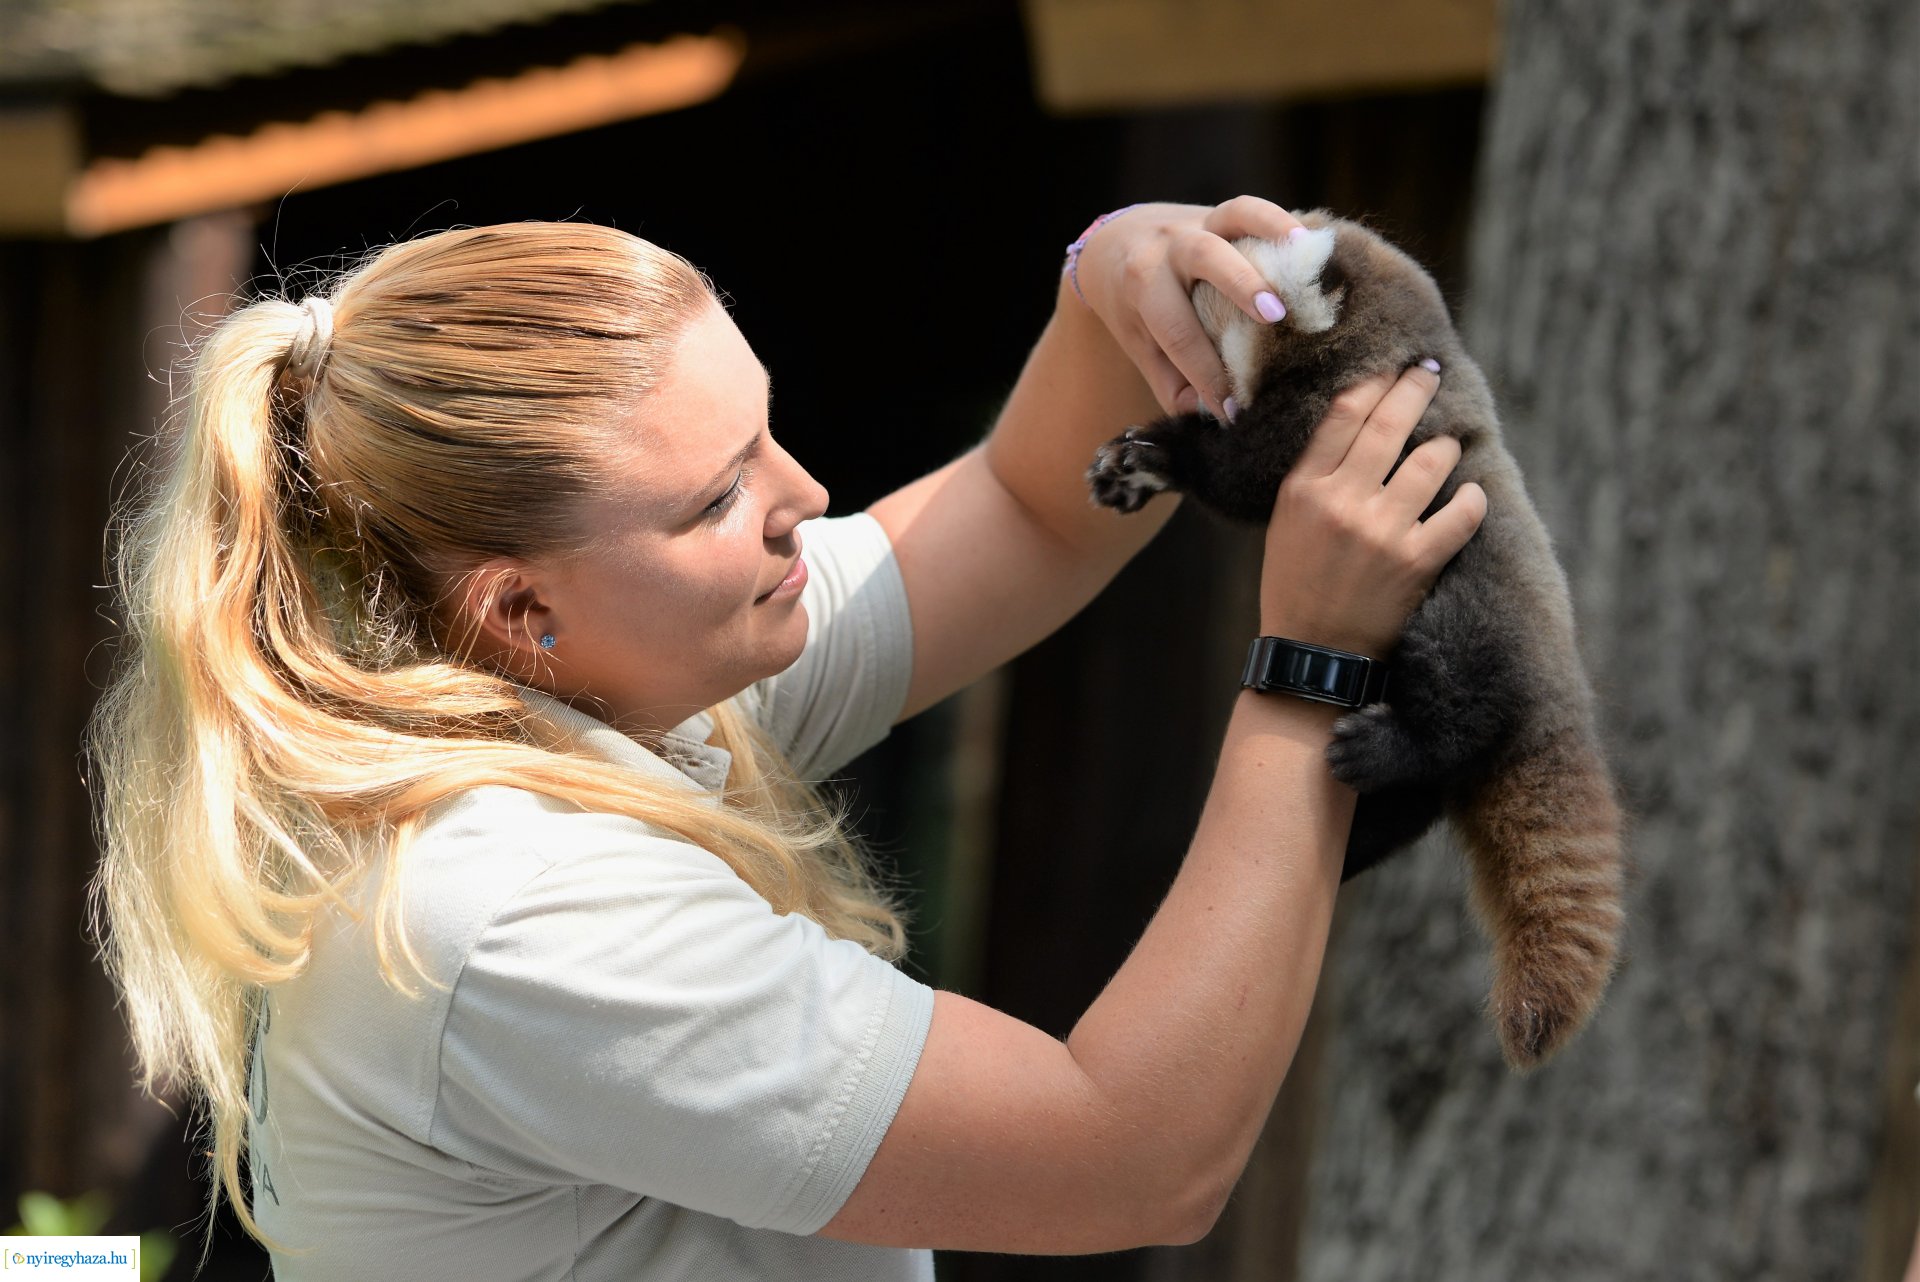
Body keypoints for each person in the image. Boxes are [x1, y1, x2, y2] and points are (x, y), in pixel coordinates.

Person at [89, 197, 1484, 1279]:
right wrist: (1311, 672)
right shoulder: (521, 913)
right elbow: (1134, 1157)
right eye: (715, 500)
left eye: (764, 434)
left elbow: (1024, 512)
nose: (803, 494)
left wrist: (1115, 284)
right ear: (520, 607)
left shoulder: (590, 686)